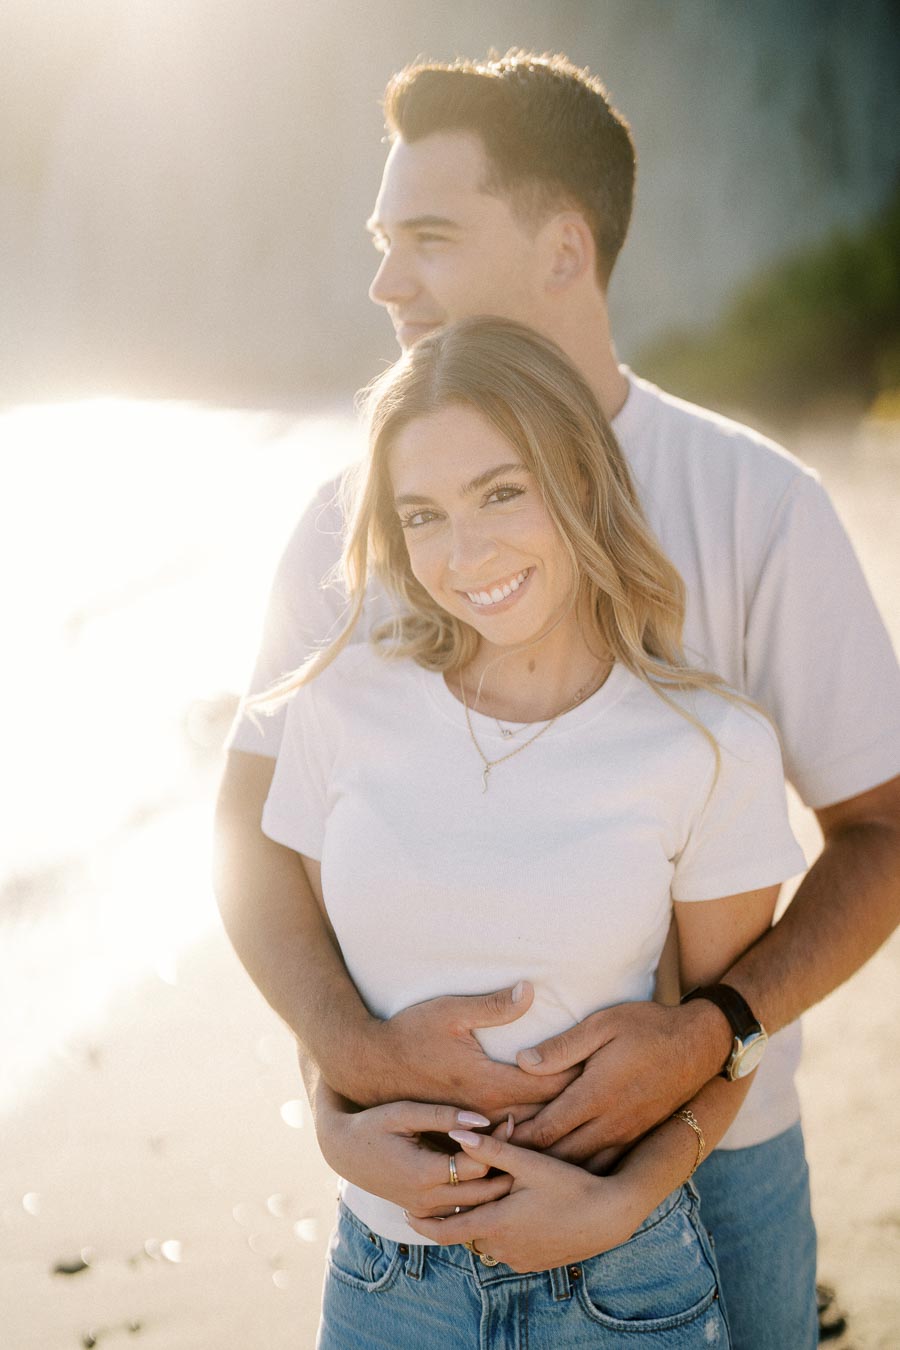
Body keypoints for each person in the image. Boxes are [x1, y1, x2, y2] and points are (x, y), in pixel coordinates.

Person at [213, 52, 900, 1350]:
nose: (385, 282)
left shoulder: (759, 506)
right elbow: (254, 833)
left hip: (726, 1158)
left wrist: (717, 1029)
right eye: (380, 241)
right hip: (414, 1202)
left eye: (427, 236)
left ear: (563, 249)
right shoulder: (350, 521)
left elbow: (882, 826)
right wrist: (342, 1064)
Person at [258, 315, 807, 1346]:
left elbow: (721, 1045)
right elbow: (327, 989)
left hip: (620, 1283)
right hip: (385, 1283)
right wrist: (335, 1131)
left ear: (582, 480)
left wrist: (615, 1203)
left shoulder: (709, 744)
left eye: (501, 493)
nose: (465, 556)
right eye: (421, 516)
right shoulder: (343, 703)